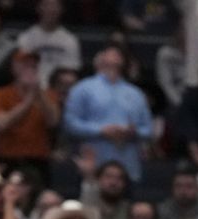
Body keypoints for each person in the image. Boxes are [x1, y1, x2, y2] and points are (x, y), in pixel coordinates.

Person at [63, 44, 154, 183]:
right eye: (109, 54)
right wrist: (101, 130)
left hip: (127, 166)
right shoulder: (82, 89)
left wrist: (132, 132)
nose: (113, 59)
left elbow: (148, 129)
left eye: (117, 55)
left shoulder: (136, 94)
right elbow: (70, 123)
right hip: (94, 164)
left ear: (124, 62)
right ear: (100, 59)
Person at [0, 49, 59, 184]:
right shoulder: (0, 94)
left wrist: (38, 94)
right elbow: (1, 124)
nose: (29, 68)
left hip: (38, 159)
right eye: (24, 64)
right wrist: (28, 100)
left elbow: (53, 121)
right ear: (13, 68)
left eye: (33, 65)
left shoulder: (48, 95)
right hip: (9, 158)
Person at [17, 0, 80, 87]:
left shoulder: (70, 40)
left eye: (55, 6)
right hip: (32, 88)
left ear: (61, 9)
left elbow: (71, 72)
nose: (51, 9)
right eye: (46, 5)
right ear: (38, 8)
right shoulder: (25, 38)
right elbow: (20, 69)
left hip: (59, 90)